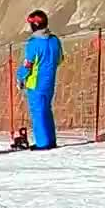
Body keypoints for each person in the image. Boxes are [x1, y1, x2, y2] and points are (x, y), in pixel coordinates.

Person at [16, 9, 63, 149]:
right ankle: (51, 140)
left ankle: (43, 143)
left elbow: (28, 65)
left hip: (35, 83)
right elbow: (60, 59)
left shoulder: (33, 43)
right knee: (47, 110)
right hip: (50, 82)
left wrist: (20, 77)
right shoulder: (55, 40)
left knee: (38, 112)